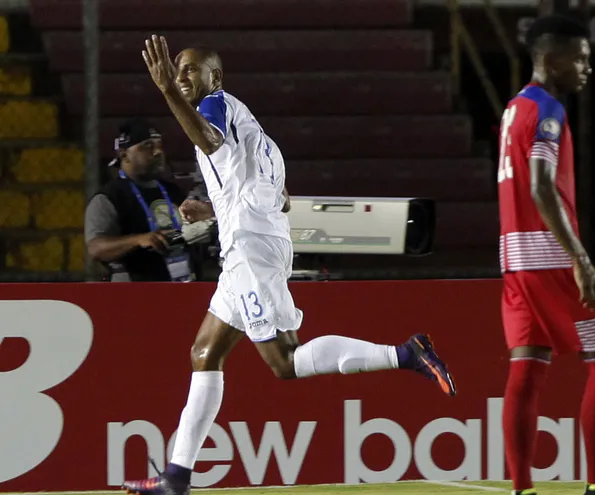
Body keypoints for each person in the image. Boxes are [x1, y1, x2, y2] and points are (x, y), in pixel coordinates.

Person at [121, 37, 456, 495]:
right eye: (176, 69)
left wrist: (167, 92)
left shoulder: (217, 108)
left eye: (190, 70)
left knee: (284, 362)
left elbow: (210, 140)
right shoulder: (255, 131)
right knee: (204, 352)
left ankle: (405, 353)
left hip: (249, 252)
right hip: (250, 243)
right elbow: (276, 197)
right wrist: (214, 210)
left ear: (215, 79)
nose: (181, 75)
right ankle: (177, 477)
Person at [497, 15, 595, 495]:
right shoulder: (548, 110)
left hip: (515, 262)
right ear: (551, 60)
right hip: (552, 261)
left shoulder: (514, 108)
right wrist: (581, 259)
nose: (587, 68)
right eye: (580, 58)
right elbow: (540, 186)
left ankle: (522, 489)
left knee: (527, 368)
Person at [85, 118, 195, 282]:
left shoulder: (174, 192)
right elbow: (96, 248)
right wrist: (138, 240)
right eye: (148, 146)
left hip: (182, 285)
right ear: (124, 155)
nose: (158, 152)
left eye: (159, 146)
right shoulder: (110, 196)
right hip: (134, 292)